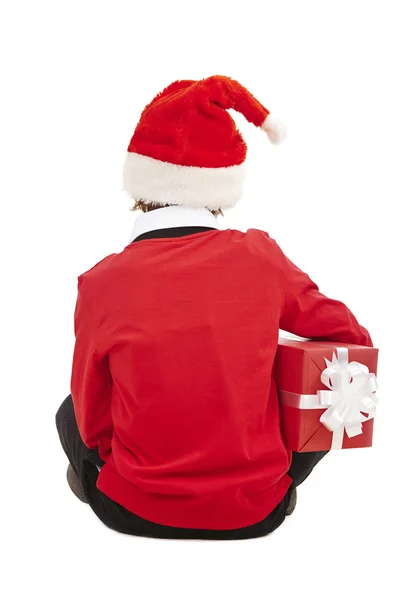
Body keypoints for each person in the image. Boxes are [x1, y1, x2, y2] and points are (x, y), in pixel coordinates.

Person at [56, 75, 373, 540]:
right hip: (258, 511)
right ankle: (267, 476)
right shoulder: (260, 257)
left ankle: (94, 485)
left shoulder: (101, 281)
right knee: (332, 390)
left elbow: (93, 420)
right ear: (222, 188)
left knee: (67, 411)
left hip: (131, 510)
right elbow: (354, 342)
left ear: (140, 184)